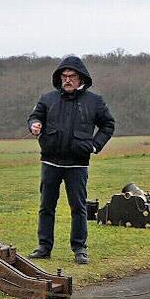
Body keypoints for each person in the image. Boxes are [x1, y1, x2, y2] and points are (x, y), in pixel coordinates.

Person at [27, 55, 115, 264]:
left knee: (78, 208)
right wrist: (34, 125)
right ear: (59, 78)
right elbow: (34, 117)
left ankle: (79, 248)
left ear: (81, 78)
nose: (67, 80)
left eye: (72, 76)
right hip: (50, 162)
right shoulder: (47, 99)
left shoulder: (94, 101)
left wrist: (95, 145)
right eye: (64, 76)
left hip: (77, 164)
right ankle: (44, 247)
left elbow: (108, 125)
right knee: (46, 207)